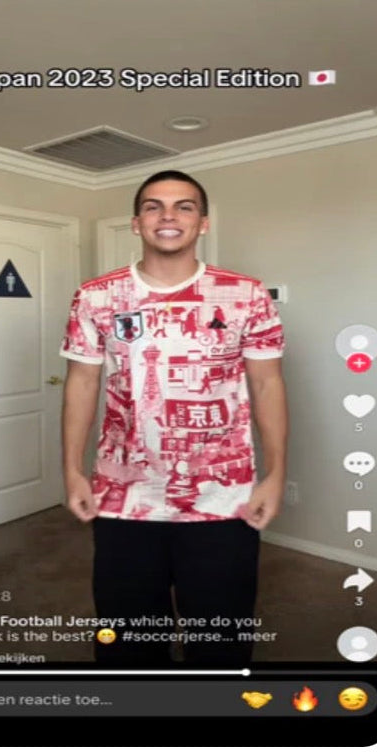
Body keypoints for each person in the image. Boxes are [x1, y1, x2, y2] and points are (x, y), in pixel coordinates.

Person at [60, 170, 288, 667]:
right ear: (136, 222)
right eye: (153, 206)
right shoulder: (96, 296)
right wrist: (73, 470)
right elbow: (82, 384)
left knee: (221, 636)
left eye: (184, 206)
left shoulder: (246, 294)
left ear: (203, 223)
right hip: (123, 495)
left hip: (222, 498)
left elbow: (267, 385)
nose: (168, 216)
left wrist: (275, 474)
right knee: (128, 637)